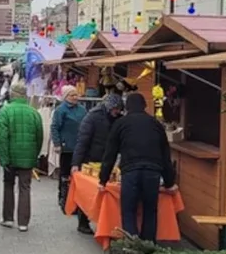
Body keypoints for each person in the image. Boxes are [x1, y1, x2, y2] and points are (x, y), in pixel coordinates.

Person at [99, 92, 177, 243]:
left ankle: (132, 247)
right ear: (144, 106)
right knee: (150, 210)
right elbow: (165, 155)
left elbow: (110, 153)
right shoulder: (155, 124)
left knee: (129, 210)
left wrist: (103, 179)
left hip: (130, 172)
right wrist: (169, 182)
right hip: (152, 172)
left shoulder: (120, 123)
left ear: (127, 107)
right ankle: (148, 247)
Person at [70, 93, 124, 234]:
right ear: (108, 107)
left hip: (110, 160)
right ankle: (83, 222)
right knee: (87, 192)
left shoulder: (119, 118)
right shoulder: (92, 117)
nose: (117, 112)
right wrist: (76, 163)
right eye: (115, 109)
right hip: (91, 159)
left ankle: (105, 222)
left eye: (119, 109)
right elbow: (82, 141)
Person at [0, 81, 43, 232]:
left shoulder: (5, 111)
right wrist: (34, 154)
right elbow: (39, 136)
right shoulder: (34, 112)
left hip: (10, 156)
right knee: (25, 188)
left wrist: (3, 159)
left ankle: (8, 218)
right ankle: (23, 223)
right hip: (27, 156)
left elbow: (1, 138)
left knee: (8, 185)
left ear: (12, 94)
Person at [50, 85, 87, 214]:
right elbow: (54, 127)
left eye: (76, 94)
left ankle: (77, 200)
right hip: (67, 147)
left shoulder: (82, 110)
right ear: (66, 97)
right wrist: (57, 143)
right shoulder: (61, 110)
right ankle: (64, 199)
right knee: (65, 174)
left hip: (80, 147)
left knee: (78, 175)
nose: (75, 97)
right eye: (72, 95)